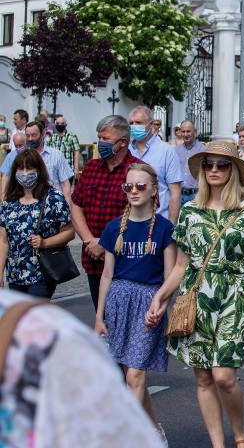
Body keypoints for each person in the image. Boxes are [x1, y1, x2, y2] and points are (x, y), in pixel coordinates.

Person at [146, 141, 244, 448]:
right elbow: (181, 265)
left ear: (233, 171)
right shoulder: (190, 211)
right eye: (208, 165)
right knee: (203, 377)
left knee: (224, 375)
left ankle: (240, 436)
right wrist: (161, 298)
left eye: (222, 165)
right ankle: (217, 444)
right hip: (196, 297)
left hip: (235, 296)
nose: (214, 170)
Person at [0, 290, 166, 447]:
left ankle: (152, 430)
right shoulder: (53, 330)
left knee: (134, 376)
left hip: (143, 302)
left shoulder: (45, 334)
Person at [94, 163, 176, 445]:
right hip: (119, 301)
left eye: (141, 186)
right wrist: (99, 316)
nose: (134, 191)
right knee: (131, 374)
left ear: (154, 190)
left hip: (149, 302)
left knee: (136, 374)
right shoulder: (114, 227)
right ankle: (154, 432)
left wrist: (162, 305)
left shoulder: (166, 228)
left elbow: (170, 275)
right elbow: (106, 275)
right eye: (128, 186)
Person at [72, 116, 143, 308]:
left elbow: (143, 217)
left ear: (122, 142)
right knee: (101, 317)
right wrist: (89, 241)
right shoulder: (91, 168)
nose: (100, 143)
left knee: (124, 320)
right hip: (94, 258)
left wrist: (107, 245)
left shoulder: (138, 171)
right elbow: (76, 206)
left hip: (125, 262)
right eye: (99, 138)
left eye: (105, 139)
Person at [0, 149, 74, 298]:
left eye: (29, 168)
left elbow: (69, 232)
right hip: (15, 274)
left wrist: (45, 242)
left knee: (33, 317)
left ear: (39, 170)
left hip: (41, 274)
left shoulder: (54, 199)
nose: (25, 172)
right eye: (21, 168)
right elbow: (3, 242)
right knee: (18, 319)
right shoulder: (9, 202)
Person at [128, 106, 182, 224]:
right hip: (128, 223)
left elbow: (175, 193)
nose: (134, 126)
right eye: (131, 123)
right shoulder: (126, 151)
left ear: (151, 124)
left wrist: (170, 227)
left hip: (158, 222)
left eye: (138, 123)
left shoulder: (167, 151)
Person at [18, 121, 73, 203]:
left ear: (43, 134)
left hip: (53, 204)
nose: (30, 139)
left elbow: (65, 185)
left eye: (34, 135)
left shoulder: (56, 155)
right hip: (30, 205)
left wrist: (66, 207)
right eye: (27, 136)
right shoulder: (22, 157)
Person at [173, 119, 207, 206]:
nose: (185, 134)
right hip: (178, 195)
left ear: (195, 131)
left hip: (196, 195)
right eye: (183, 131)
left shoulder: (203, 150)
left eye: (188, 131)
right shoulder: (176, 151)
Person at [46, 114, 81, 182]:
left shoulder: (72, 136)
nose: (59, 125)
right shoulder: (52, 137)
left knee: (66, 190)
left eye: (62, 123)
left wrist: (76, 168)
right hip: (54, 170)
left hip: (68, 170)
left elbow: (76, 152)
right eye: (58, 123)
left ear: (66, 125)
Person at [0, 131, 26, 200]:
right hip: (14, 192)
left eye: (20, 145)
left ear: (26, 143)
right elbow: (5, 175)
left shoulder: (32, 155)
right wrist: (2, 196)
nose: (18, 148)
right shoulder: (10, 156)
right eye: (16, 146)